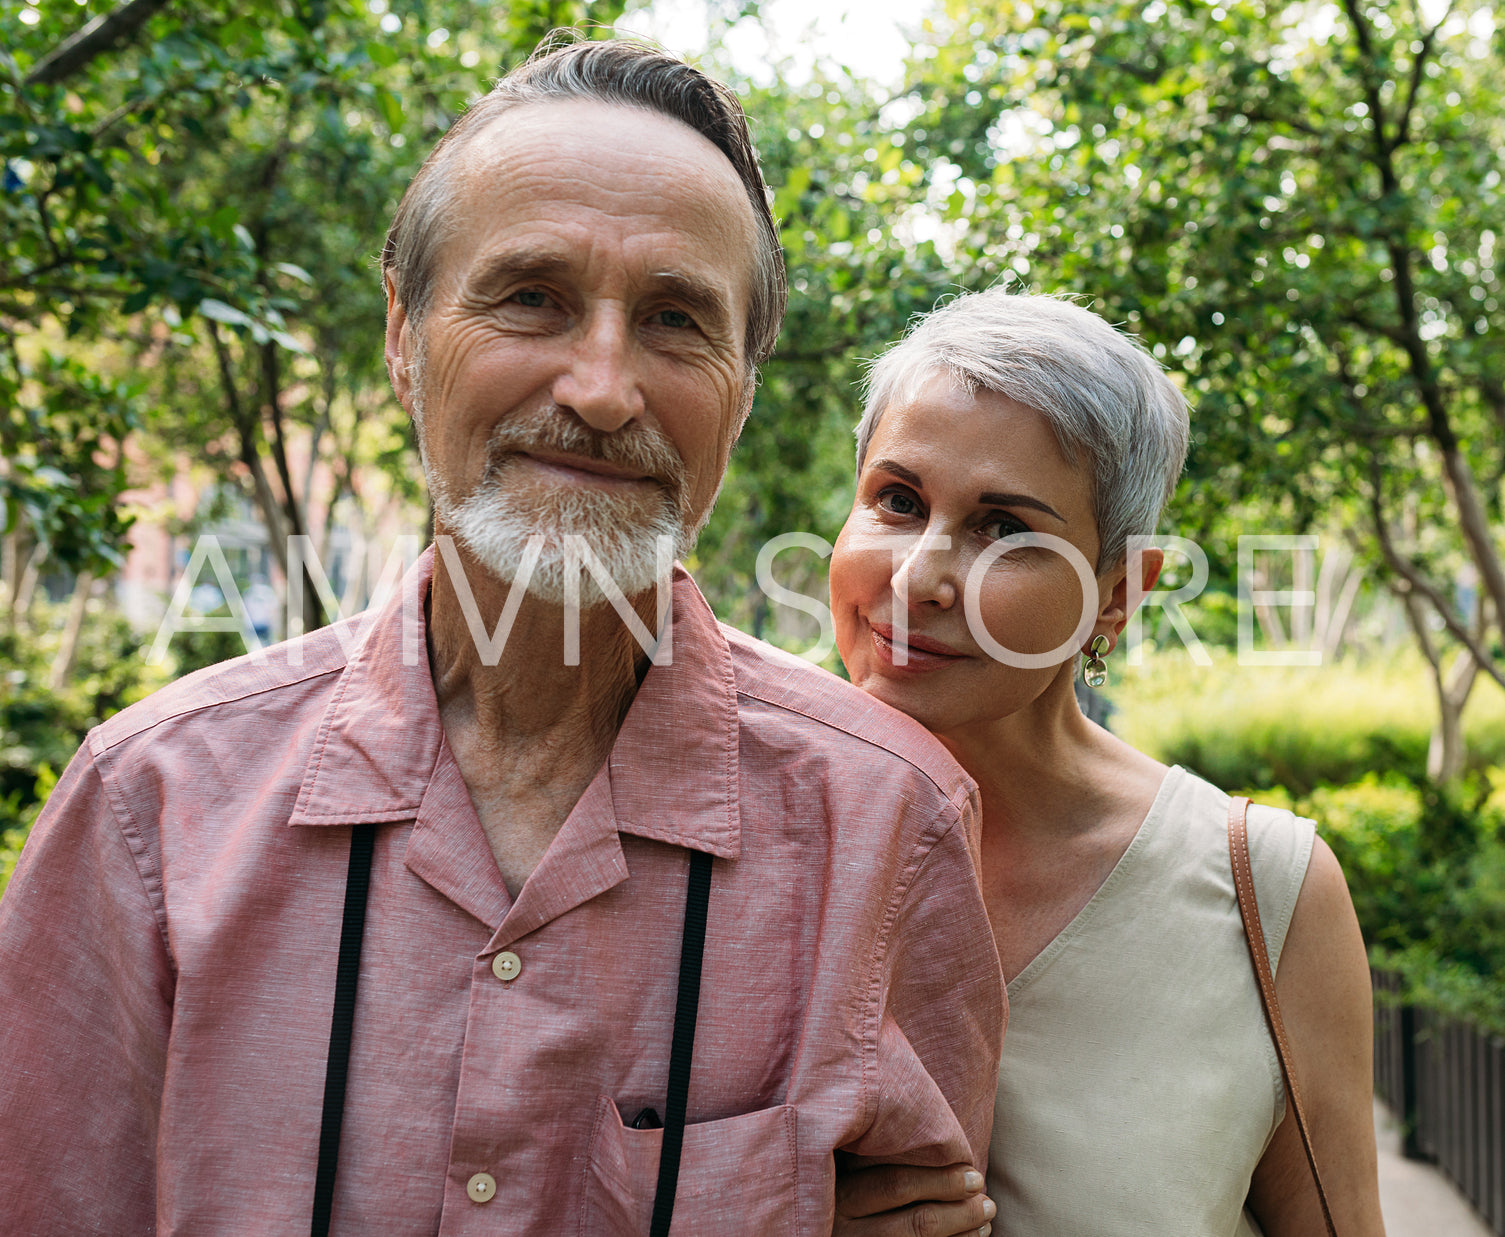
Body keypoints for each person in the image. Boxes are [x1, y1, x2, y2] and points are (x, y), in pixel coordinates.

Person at [0, 40, 1005, 1233]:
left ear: (741, 388)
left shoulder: (885, 827)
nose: (599, 388)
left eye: (677, 320)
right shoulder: (150, 808)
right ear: (402, 336)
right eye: (530, 296)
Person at [827, 290, 1384, 1236]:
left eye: (1005, 528)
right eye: (897, 500)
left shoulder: (1262, 890)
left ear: (1116, 595)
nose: (919, 575)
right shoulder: (727, 835)